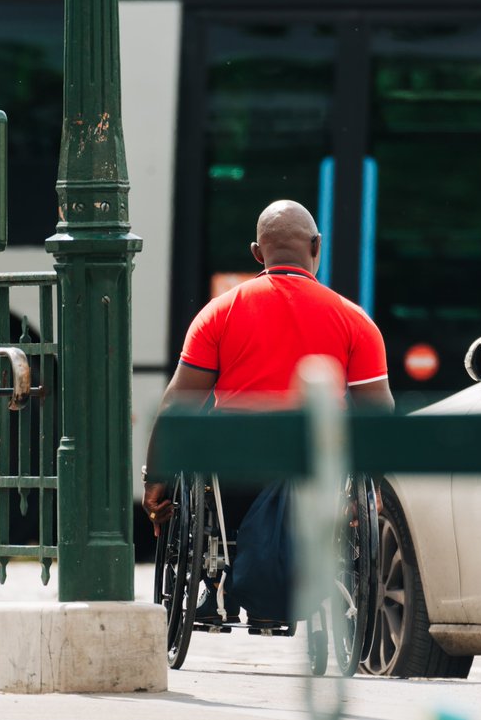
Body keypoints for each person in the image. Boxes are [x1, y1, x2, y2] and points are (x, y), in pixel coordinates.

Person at [143, 199, 394, 624]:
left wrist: (156, 479)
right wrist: (368, 493)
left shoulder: (218, 313)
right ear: (316, 245)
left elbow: (177, 404)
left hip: (231, 476)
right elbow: (378, 416)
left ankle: (218, 586)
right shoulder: (354, 320)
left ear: (257, 253)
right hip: (314, 473)